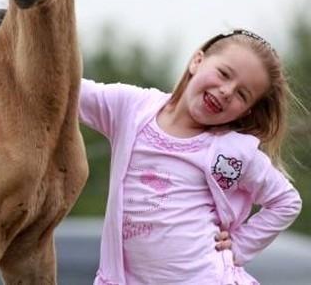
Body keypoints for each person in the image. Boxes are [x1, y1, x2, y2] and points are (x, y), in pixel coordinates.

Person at [79, 29, 302, 285]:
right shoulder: (132, 108)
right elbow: (67, 91)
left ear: (246, 111)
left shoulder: (233, 152)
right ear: (198, 61)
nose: (227, 91)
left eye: (242, 94)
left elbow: (286, 201)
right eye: (224, 73)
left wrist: (239, 247)